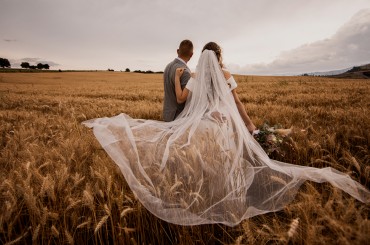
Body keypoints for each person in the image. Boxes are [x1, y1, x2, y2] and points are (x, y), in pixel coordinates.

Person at [82, 43, 369, 227]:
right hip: (225, 126)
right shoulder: (226, 74)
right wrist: (250, 126)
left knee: (210, 165)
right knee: (231, 160)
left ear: (202, 61)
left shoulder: (195, 79)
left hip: (206, 126)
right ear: (219, 58)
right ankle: (234, 198)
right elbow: (237, 103)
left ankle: (220, 197)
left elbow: (191, 103)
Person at [163, 40, 193, 122]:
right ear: (191, 55)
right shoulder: (185, 72)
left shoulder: (168, 66)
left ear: (177, 51)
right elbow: (184, 99)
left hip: (167, 115)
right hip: (178, 118)